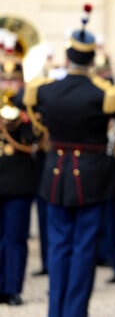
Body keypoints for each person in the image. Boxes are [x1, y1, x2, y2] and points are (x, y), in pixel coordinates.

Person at [23, 5, 115, 317]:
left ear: (68, 56)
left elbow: (32, 111)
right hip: (90, 177)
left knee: (58, 247)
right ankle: (75, 312)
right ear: (92, 60)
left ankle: (56, 311)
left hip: (54, 174)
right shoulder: (105, 93)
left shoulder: (45, 91)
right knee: (83, 249)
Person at [0, 27, 44, 306]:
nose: (7, 85)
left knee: (15, 238)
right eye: (3, 79)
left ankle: (12, 288)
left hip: (17, 181)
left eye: (12, 80)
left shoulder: (27, 108)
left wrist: (20, 109)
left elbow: (36, 138)